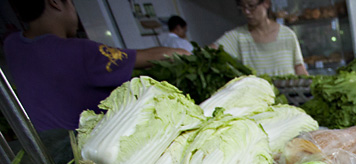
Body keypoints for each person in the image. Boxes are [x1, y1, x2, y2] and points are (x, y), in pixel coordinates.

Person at [3, 0, 190, 133]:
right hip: (86, 150)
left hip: (47, 148)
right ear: (55, 2)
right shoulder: (78, 51)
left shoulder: (13, 45)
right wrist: (185, 54)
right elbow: (148, 58)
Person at [211, 0, 308, 76]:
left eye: (251, 6)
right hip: (256, 95)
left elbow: (299, 68)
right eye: (243, 7)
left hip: (288, 95)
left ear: (266, 3)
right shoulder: (238, 37)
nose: (247, 12)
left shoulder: (288, 35)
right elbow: (210, 52)